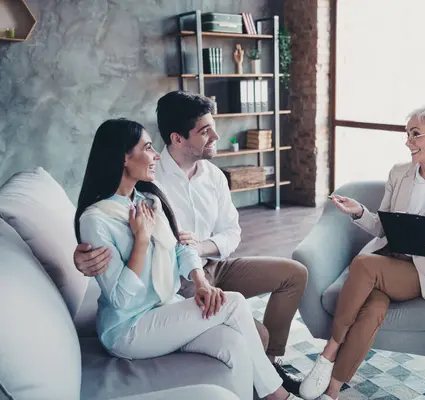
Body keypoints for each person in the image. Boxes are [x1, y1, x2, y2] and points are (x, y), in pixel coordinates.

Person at [72, 92, 307, 393]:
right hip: (129, 327)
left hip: (176, 297)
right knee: (233, 305)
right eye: (147, 148)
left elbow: (184, 246)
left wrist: (201, 281)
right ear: (124, 158)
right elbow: (123, 301)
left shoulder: (147, 198)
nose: (155, 154)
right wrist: (142, 242)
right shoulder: (98, 218)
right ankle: (279, 396)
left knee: (235, 344)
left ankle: (264, 388)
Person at [298, 102, 425, 400]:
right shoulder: (399, 174)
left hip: (423, 273)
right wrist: (359, 211)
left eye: (416, 134)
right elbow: (384, 228)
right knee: (372, 310)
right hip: (389, 260)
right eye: (407, 134)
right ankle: (333, 390)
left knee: (363, 265)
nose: (408, 142)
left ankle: (329, 350)